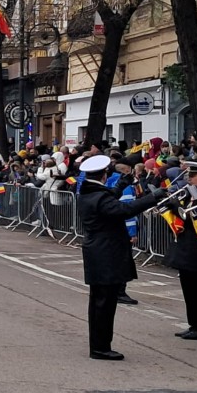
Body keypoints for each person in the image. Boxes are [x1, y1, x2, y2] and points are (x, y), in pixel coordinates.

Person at [77, 154, 164, 360]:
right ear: (104, 175)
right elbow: (123, 209)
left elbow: (108, 198)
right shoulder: (99, 197)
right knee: (104, 304)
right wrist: (153, 197)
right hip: (106, 253)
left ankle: (99, 345)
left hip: (98, 251)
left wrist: (123, 183)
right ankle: (100, 348)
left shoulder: (89, 193)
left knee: (99, 301)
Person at [163, 161, 197, 341]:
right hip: (187, 250)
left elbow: (194, 217)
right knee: (189, 289)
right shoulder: (189, 194)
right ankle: (194, 324)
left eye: (193, 175)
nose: (189, 179)